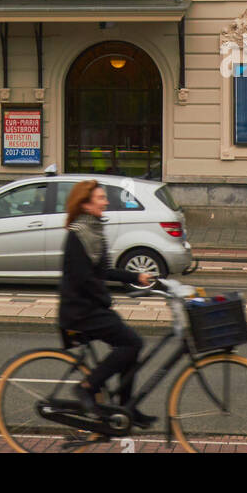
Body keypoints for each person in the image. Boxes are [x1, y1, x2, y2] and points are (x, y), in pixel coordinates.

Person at [58, 179, 154, 422]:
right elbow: (83, 279)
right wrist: (106, 299)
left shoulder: (94, 231)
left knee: (130, 347)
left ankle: (126, 408)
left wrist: (136, 276)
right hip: (80, 312)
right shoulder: (79, 234)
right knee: (132, 343)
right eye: (101, 198)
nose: (106, 202)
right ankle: (87, 387)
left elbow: (102, 272)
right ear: (86, 204)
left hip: (90, 308)